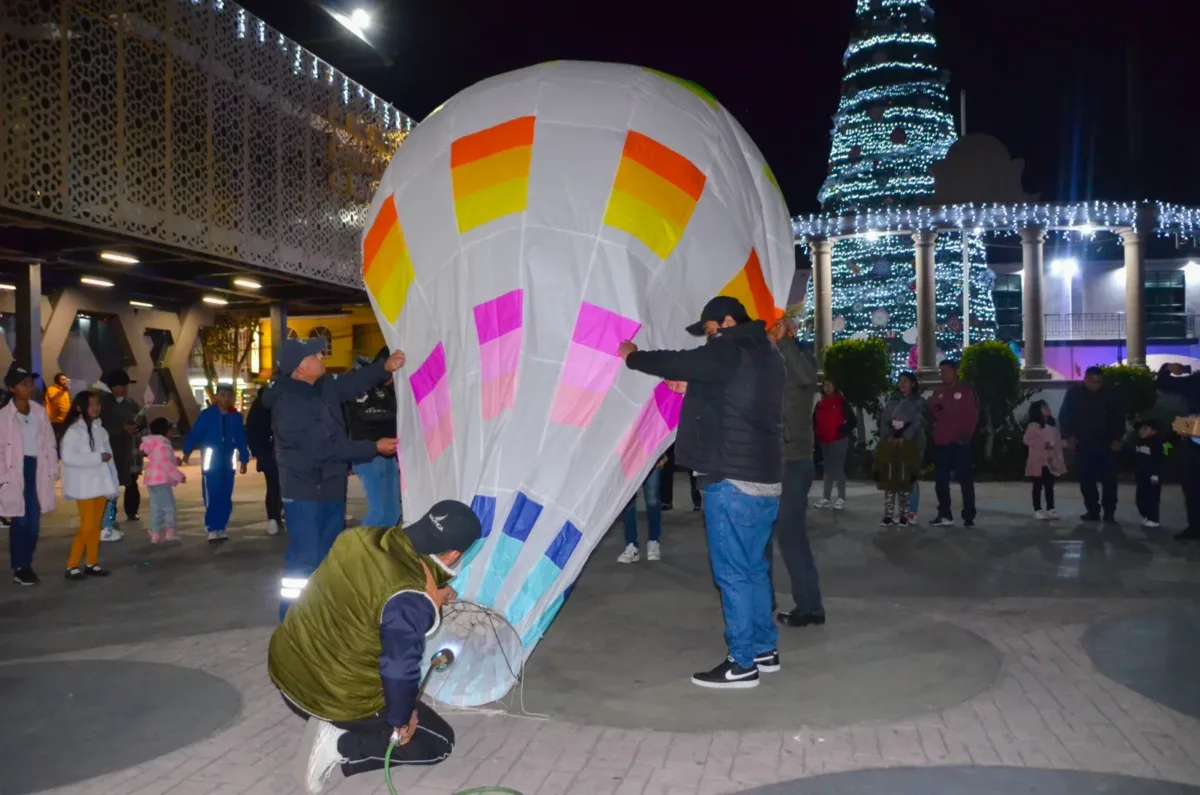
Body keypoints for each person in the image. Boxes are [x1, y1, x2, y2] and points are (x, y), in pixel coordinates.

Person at [619, 296, 784, 690]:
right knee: (754, 568)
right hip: (765, 477)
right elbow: (733, 397)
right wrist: (695, 386)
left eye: (710, 332)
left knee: (732, 573)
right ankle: (764, 649)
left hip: (731, 478)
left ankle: (742, 663)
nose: (710, 341)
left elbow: (678, 360)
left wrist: (633, 356)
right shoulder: (767, 353)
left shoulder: (731, 347)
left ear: (727, 322)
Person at [268, 500, 480, 794]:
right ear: (455, 553)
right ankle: (339, 745)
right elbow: (398, 668)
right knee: (437, 742)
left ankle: (338, 725)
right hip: (329, 696)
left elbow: (371, 598)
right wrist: (401, 718)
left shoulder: (361, 537)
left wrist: (432, 598)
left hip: (288, 672)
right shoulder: (410, 597)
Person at [264, 338, 405, 619]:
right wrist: (373, 447)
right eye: (314, 355)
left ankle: (322, 616)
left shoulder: (322, 386)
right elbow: (324, 448)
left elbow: (351, 384)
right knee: (304, 561)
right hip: (304, 490)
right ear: (301, 369)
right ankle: (292, 620)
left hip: (329, 485)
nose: (321, 356)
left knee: (327, 557)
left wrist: (383, 368)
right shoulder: (289, 404)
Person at [768, 317, 824, 629]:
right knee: (760, 535)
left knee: (790, 535)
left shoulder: (801, 359)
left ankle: (811, 606)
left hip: (793, 460)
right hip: (767, 461)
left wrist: (785, 340)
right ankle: (762, 601)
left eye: (779, 326)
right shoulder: (769, 361)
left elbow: (804, 377)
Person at [1, 364, 59, 585]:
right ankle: (21, 567)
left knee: (33, 522)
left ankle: (25, 564)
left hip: (37, 468)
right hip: (15, 469)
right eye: (24, 384)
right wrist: (2, 476)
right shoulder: (3, 416)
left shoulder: (39, 411)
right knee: (21, 519)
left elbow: (49, 442)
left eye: (31, 383)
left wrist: (53, 467)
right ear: (12, 388)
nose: (30, 387)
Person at [61, 390, 119, 580]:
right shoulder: (74, 431)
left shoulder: (99, 429)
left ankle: (92, 563)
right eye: (92, 404)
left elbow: (108, 457)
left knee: (95, 526)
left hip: (100, 484)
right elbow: (68, 458)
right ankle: (72, 565)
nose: (96, 408)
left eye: (97, 404)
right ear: (80, 407)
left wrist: (112, 481)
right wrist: (97, 458)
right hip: (84, 485)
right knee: (87, 526)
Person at [183, 383, 249, 543]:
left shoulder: (236, 417)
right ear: (216, 396)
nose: (225, 399)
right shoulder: (207, 415)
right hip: (211, 463)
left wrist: (244, 459)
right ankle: (212, 526)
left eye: (228, 396)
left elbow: (241, 439)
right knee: (212, 494)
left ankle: (222, 525)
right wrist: (187, 450)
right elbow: (195, 433)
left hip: (229, 463)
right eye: (222, 395)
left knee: (226, 494)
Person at [345, 349, 402, 528]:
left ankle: (378, 550)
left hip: (388, 455)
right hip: (369, 455)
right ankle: (358, 550)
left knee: (393, 511)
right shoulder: (362, 384)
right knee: (379, 510)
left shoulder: (387, 389)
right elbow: (367, 415)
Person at [1059, 366, 1124, 522]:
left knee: (1109, 479)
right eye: (1093, 381)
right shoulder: (1074, 394)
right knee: (1086, 478)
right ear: (1086, 379)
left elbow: (1119, 417)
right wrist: (1069, 437)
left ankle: (1109, 512)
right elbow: (1065, 416)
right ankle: (1092, 510)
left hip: (1106, 443)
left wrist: (1117, 439)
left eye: (1099, 382)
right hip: (1084, 442)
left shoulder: (1110, 394)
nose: (1097, 385)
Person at [928, 359, 978, 528]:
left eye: (947, 370)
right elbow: (933, 410)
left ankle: (969, 515)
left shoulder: (965, 390)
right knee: (941, 481)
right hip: (942, 442)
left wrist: (966, 436)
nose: (943, 374)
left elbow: (972, 414)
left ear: (956, 371)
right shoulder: (938, 391)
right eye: (941, 371)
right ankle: (944, 514)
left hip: (960, 443)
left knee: (965, 481)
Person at [94, 369, 144, 537]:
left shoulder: (131, 403)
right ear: (112, 387)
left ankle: (132, 511)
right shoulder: (103, 403)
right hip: (110, 449)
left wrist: (138, 427)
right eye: (120, 386)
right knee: (110, 486)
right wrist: (120, 429)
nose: (124, 389)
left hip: (129, 449)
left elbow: (141, 421)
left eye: (125, 385)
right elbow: (98, 425)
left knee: (132, 481)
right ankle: (108, 517)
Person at [875, 372, 924, 527]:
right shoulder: (892, 400)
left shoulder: (918, 401)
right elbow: (884, 420)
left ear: (913, 384)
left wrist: (906, 436)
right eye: (900, 381)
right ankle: (895, 513)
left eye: (906, 381)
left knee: (910, 477)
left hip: (912, 443)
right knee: (894, 476)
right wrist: (889, 436)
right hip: (892, 444)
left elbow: (918, 422)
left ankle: (911, 512)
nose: (902, 384)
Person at [812, 377, 856, 510]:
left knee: (837, 468)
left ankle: (841, 497)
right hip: (824, 440)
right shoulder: (820, 404)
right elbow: (814, 421)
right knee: (828, 469)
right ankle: (826, 498)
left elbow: (853, 420)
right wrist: (817, 433)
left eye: (830, 385)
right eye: (825, 385)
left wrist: (841, 431)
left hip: (838, 440)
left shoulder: (841, 402)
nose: (827, 388)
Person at [140, 417, 186, 543]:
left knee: (156, 508)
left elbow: (161, 459)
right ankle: (170, 532)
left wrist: (174, 460)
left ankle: (155, 533)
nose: (171, 432)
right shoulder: (162, 444)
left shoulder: (155, 443)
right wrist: (179, 476)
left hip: (152, 480)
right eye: (170, 429)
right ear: (165, 430)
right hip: (161, 480)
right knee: (169, 507)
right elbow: (165, 463)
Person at [246, 388, 283, 536]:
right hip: (269, 454)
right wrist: (259, 453)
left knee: (284, 486)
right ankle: (273, 517)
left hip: (285, 453)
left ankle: (280, 514)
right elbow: (252, 431)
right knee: (274, 485)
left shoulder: (285, 401)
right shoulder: (260, 407)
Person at [617, 455, 665, 563]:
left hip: (650, 454)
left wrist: (662, 453)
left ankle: (653, 541)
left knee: (652, 498)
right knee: (628, 501)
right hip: (628, 456)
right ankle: (631, 544)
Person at [1022, 400, 1065, 520]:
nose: (1047, 409)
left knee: (1049, 485)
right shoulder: (1033, 426)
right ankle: (1037, 509)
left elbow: (1057, 441)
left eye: (1047, 406)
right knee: (1037, 486)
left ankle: (1051, 508)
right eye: (1044, 407)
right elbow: (1026, 440)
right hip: (1038, 461)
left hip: (1050, 461)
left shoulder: (1052, 426)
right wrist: (1042, 444)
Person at [1133, 420, 1164, 528]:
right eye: (1141, 429)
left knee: (1152, 498)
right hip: (1142, 476)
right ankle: (1147, 516)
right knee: (1140, 498)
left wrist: (1155, 475)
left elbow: (1160, 459)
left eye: (1145, 429)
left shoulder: (1158, 443)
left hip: (1152, 476)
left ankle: (1154, 519)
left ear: (1153, 431)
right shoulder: (1140, 442)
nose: (1141, 431)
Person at [660, 444, 701, 512]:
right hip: (673, 442)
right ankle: (667, 501)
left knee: (694, 473)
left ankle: (697, 501)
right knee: (667, 471)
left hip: (690, 443)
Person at [44, 372, 72, 452]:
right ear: (57, 380)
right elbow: (54, 401)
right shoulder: (51, 389)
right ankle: (56, 455)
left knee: (65, 439)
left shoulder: (65, 390)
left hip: (65, 419)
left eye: (65, 379)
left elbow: (66, 404)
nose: (64, 381)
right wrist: (62, 391)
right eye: (62, 379)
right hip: (55, 419)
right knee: (57, 439)